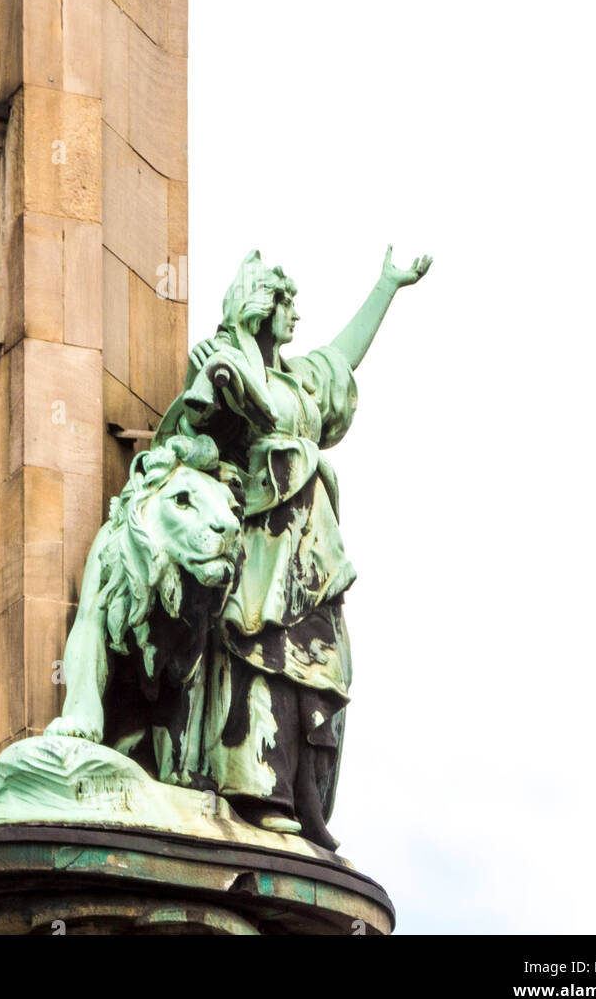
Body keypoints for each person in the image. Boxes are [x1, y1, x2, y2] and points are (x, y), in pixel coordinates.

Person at [153, 244, 431, 848]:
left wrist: (386, 285)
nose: (296, 315)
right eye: (287, 302)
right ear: (261, 306)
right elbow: (190, 440)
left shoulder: (298, 381)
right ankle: (262, 791)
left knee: (323, 669)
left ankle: (308, 802)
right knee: (262, 656)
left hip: (313, 555)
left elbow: (341, 359)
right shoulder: (222, 367)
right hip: (260, 544)